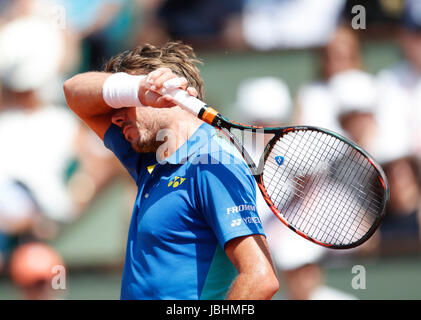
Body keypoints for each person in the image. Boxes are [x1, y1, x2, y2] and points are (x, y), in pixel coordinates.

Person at [63, 42, 279, 300]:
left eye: (123, 105)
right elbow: (72, 92)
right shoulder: (147, 159)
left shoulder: (214, 163)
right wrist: (137, 90)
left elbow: (260, 278)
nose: (115, 118)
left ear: (169, 97)